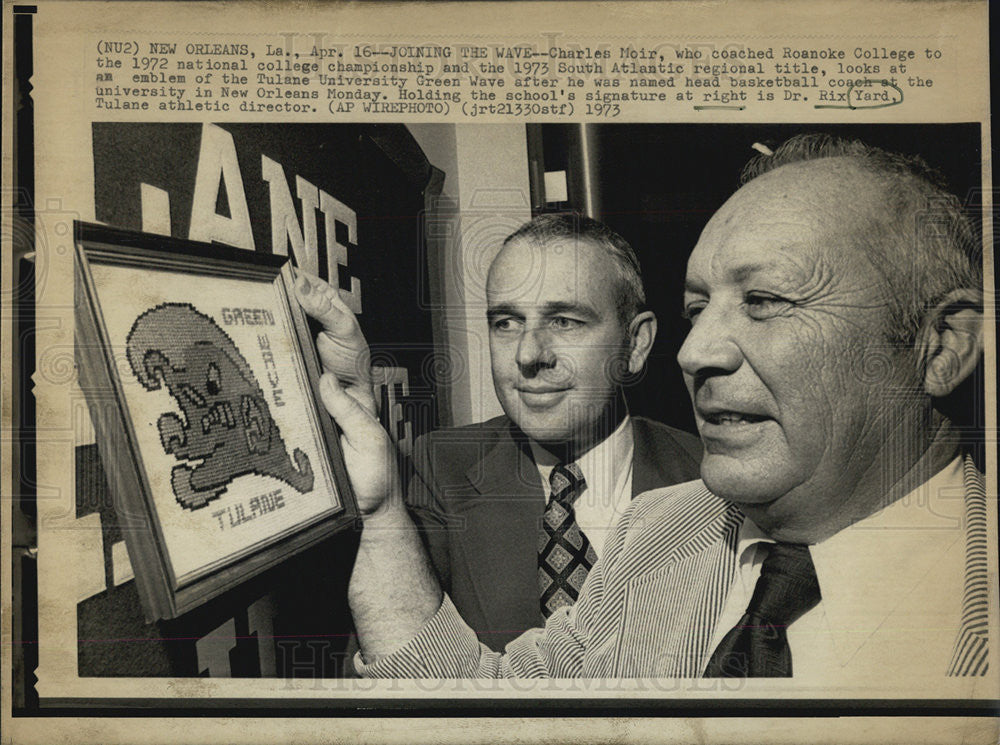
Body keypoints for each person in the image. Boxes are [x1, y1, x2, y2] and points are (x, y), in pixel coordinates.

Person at [305, 133, 988, 681]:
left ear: (941, 345)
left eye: (764, 301)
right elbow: (476, 705)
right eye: (700, 309)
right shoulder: (659, 530)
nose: (696, 353)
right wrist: (378, 508)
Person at [296, 214, 702, 651]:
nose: (529, 354)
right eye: (506, 323)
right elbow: (395, 671)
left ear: (635, 344)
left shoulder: (711, 480)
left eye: (564, 321)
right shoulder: (439, 467)